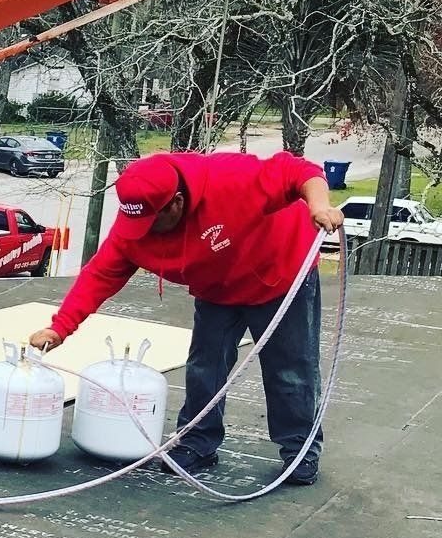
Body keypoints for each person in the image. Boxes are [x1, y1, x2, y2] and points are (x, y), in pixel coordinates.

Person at [28, 151, 344, 485]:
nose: (142, 232)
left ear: (176, 202)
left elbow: (298, 170)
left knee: (290, 370)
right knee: (204, 365)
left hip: (281, 271)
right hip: (216, 287)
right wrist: (59, 327)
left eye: (151, 222)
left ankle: (300, 450)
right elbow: (100, 275)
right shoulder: (135, 226)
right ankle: (198, 442)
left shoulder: (232, 179)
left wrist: (319, 205)